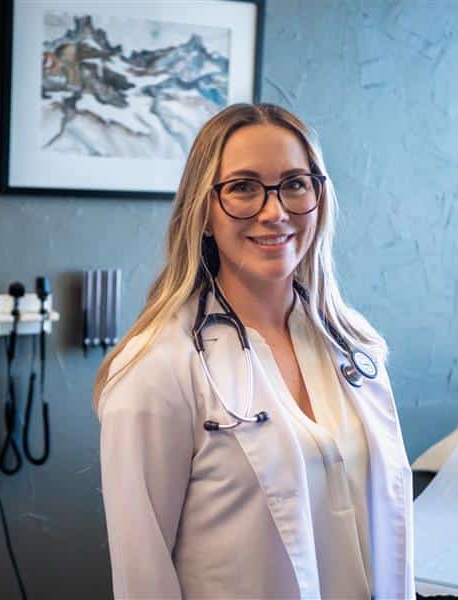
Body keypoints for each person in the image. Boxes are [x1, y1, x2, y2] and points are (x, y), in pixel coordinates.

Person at [93, 102, 415, 599]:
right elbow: (143, 577)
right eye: (243, 187)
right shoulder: (157, 369)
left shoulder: (354, 349)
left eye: (295, 184)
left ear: (319, 198)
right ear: (204, 212)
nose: (274, 211)